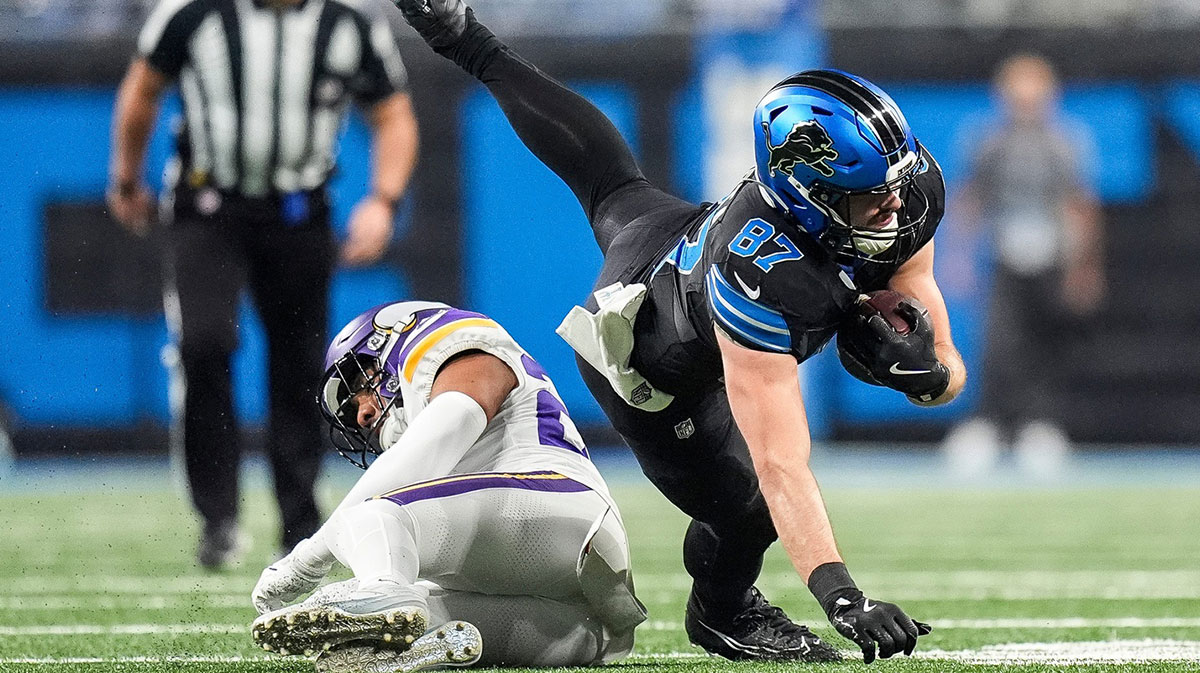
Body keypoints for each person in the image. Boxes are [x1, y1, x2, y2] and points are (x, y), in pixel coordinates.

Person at [392, 0, 967, 664]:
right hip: (648, 355)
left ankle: (470, 41)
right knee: (744, 507)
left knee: (611, 182)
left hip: (666, 234)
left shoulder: (901, 187)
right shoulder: (761, 279)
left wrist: (936, 370)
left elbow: (912, 266)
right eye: (873, 194)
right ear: (811, 195)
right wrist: (843, 596)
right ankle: (723, 613)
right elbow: (782, 462)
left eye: (895, 183)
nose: (897, 203)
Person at [107, 0, 420, 568]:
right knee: (203, 344)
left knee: (300, 366)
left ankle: (298, 520)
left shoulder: (349, 25)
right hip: (207, 209)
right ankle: (218, 517)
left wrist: (383, 198)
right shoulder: (193, 13)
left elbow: (393, 113)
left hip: (301, 215)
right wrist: (126, 179)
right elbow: (143, 88)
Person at [249, 300, 646, 671]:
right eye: (354, 412)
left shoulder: (453, 340)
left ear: (388, 341)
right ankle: (428, 636)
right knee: (414, 605)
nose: (365, 413)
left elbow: (443, 435)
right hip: (581, 591)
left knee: (370, 515)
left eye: (362, 387)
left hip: (554, 507)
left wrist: (308, 557)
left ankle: (385, 589)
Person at [941, 53, 1104, 477]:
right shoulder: (990, 141)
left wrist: (1084, 266)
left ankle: (1040, 427)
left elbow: (1080, 205)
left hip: (1051, 256)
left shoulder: (1065, 142)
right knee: (999, 346)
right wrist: (958, 256)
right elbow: (970, 197)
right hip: (1004, 254)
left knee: (1046, 344)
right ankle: (989, 426)